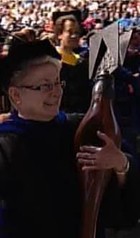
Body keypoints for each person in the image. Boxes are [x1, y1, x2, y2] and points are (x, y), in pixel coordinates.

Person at [0, 39, 139, 238]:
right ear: (15, 94)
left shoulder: (83, 128)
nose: (56, 92)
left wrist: (121, 164)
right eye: (45, 86)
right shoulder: (6, 144)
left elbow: (120, 207)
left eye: (58, 82)